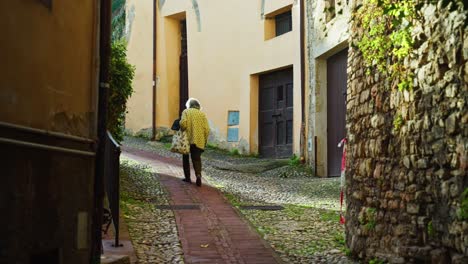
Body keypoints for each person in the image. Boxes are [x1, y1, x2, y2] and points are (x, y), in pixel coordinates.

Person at [179, 98, 210, 186]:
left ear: (189, 105)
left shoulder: (186, 112)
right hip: (198, 140)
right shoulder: (202, 114)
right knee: (196, 159)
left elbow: (183, 124)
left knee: (185, 158)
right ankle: (198, 175)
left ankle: (188, 178)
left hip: (187, 140)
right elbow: (207, 129)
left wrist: (181, 127)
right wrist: (204, 140)